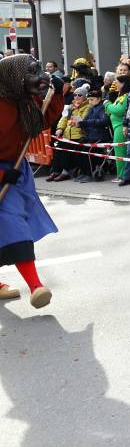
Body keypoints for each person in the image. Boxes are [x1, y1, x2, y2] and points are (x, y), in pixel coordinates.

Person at [0, 55, 64, 308]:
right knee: (13, 223)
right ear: (14, 77)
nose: (40, 76)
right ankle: (36, 286)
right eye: (32, 72)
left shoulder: (23, 101)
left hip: (17, 169)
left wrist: (57, 93)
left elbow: (42, 119)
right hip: (5, 173)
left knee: (15, 222)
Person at [49, 84, 90, 182]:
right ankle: (56, 170)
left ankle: (66, 171)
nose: (76, 97)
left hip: (79, 134)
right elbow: (64, 119)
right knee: (59, 149)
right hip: (68, 133)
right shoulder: (71, 106)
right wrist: (60, 129)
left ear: (84, 97)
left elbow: (83, 120)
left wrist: (75, 111)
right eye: (75, 95)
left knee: (67, 150)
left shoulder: (87, 107)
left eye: (79, 95)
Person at [105, 76, 130, 182]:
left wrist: (107, 104)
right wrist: (110, 107)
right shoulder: (120, 96)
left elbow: (119, 110)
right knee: (120, 152)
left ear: (124, 84)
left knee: (120, 153)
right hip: (116, 126)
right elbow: (112, 111)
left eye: (118, 83)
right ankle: (123, 174)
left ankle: (121, 176)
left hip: (120, 127)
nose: (116, 84)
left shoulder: (126, 96)